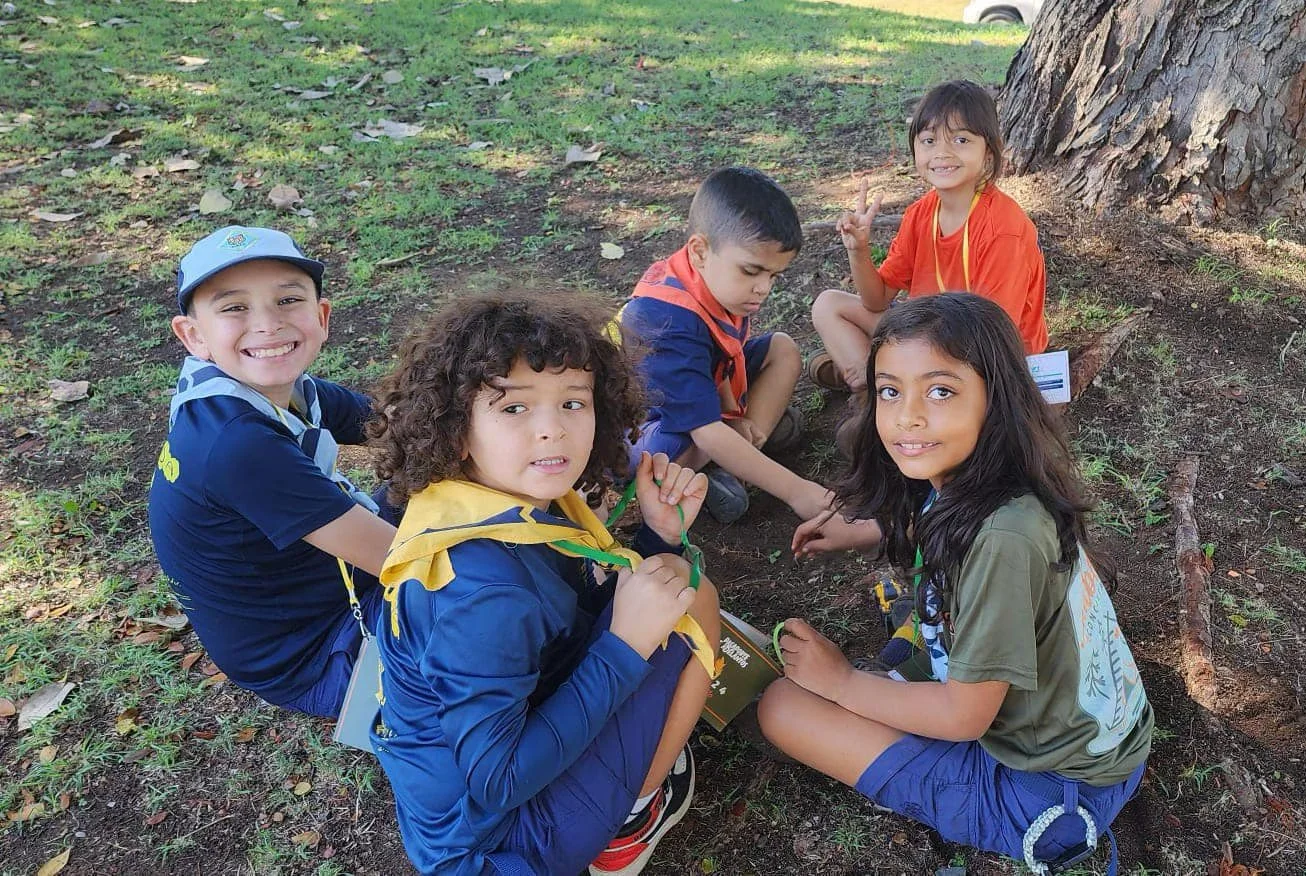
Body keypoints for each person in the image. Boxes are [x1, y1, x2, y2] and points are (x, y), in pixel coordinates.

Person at [760, 294, 1152, 875]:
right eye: (891, 390)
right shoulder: (994, 485)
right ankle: (894, 681)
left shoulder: (1004, 541)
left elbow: (965, 717)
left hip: (1050, 796)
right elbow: (945, 525)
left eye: (940, 390)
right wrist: (864, 531)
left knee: (783, 707)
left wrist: (841, 683)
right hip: (1099, 744)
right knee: (875, 680)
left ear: (997, 401)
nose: (907, 415)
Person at [366, 290, 721, 876]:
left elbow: (564, 618)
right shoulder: (484, 592)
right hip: (501, 847)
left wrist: (657, 534)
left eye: (573, 404)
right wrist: (624, 646)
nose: (552, 430)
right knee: (689, 594)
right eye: (514, 409)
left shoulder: (486, 500)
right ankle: (628, 823)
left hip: (463, 812)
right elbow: (498, 781)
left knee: (665, 573)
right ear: (457, 427)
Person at [148, 226, 398, 717]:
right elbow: (406, 561)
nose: (267, 325)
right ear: (193, 336)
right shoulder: (237, 444)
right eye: (234, 307)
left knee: (460, 486)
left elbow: (402, 431)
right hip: (320, 654)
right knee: (497, 597)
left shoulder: (286, 391)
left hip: (324, 596)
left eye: (287, 300)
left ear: (321, 317)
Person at [808, 80, 1048, 402]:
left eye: (961, 139)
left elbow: (992, 337)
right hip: (925, 332)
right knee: (828, 305)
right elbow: (876, 301)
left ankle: (878, 386)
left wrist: (913, 347)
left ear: (988, 151)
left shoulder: (1003, 230)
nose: (942, 153)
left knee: (949, 376)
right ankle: (876, 384)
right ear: (916, 149)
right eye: (929, 140)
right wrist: (859, 250)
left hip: (987, 353)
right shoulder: (920, 214)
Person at [619, 166, 832, 524]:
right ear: (700, 250)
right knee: (682, 447)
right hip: (650, 427)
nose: (763, 288)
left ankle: (738, 460)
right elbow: (702, 427)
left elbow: (720, 358)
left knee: (781, 349)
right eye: (751, 272)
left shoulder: (716, 281)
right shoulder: (666, 321)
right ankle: (704, 475)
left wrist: (733, 415)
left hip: (700, 399)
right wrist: (800, 492)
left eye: (773, 276)